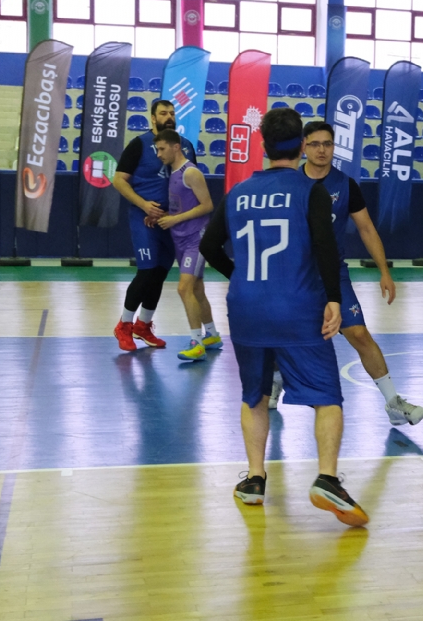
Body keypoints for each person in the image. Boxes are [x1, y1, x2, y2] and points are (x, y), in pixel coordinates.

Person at [198, 108, 368, 527]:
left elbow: (208, 246)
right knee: (327, 398)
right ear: (302, 145)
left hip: (246, 308)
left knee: (254, 395)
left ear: (264, 144)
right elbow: (326, 248)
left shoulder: (237, 193)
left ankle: (255, 479)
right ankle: (326, 478)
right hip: (297, 308)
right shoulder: (311, 191)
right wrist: (333, 299)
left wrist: (239, 275)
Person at [270, 121, 423, 426]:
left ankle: (394, 403)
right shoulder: (288, 182)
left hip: (332, 275)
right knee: (284, 334)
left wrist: (384, 271)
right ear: (303, 147)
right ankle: (275, 382)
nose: (321, 150)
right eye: (315, 144)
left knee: (359, 333)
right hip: (292, 276)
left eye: (327, 144)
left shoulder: (345, 185)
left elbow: (366, 229)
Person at [111, 100, 218, 352]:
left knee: (159, 273)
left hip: (171, 220)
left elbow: (190, 185)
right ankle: (124, 325)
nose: (169, 117)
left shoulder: (185, 146)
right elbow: (118, 180)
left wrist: (175, 215)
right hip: (145, 218)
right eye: (163, 113)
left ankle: (143, 325)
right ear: (152, 118)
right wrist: (144, 205)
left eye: (172, 113)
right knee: (147, 271)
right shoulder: (138, 144)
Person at [151, 128, 219, 362]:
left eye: (162, 149)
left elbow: (207, 205)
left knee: (184, 288)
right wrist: (163, 216)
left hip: (195, 238)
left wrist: (175, 219)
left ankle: (196, 343)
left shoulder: (191, 172)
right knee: (196, 288)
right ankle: (212, 335)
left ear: (176, 147)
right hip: (180, 238)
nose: (159, 154)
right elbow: (181, 206)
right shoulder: (172, 172)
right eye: (157, 149)